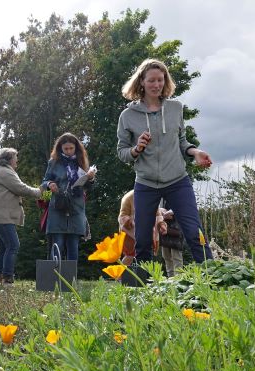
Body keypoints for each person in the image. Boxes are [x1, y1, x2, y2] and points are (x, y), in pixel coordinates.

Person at [117, 58, 213, 263]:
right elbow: (122, 152)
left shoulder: (175, 108)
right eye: (151, 80)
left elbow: (182, 141)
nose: (156, 85)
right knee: (142, 240)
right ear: (141, 82)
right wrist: (137, 148)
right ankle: (142, 290)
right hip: (146, 183)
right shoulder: (128, 115)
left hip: (177, 180)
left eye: (161, 80)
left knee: (195, 233)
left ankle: (213, 283)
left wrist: (195, 152)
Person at [0, 148, 42, 284]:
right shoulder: (5, 172)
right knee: (13, 245)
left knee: (4, 247)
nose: (17, 160)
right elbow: (21, 188)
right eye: (15, 157)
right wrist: (40, 191)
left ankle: (0, 275)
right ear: (9, 159)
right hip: (2, 216)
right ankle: (7, 277)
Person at [42, 132, 96, 260]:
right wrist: (50, 184)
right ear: (60, 148)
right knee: (57, 245)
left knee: (73, 246)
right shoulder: (54, 162)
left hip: (76, 208)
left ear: (76, 148)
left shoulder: (81, 161)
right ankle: (54, 278)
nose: (69, 151)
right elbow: (44, 181)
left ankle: (71, 279)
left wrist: (91, 179)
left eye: (71, 148)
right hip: (58, 206)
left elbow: (89, 188)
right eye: (65, 148)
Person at [158, 201, 184, 277]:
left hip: (175, 230)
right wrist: (161, 212)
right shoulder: (161, 198)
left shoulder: (178, 195)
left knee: (176, 257)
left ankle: (178, 281)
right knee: (166, 256)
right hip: (164, 231)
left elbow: (181, 208)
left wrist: (168, 214)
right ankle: (171, 280)